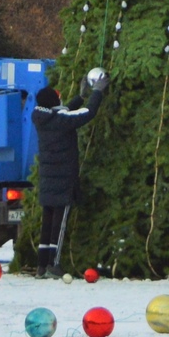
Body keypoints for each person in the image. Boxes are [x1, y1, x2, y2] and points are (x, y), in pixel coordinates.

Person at [30, 66, 108, 276]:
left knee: (47, 224)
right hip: (63, 181)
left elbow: (66, 111)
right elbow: (86, 115)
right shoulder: (60, 122)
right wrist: (97, 91)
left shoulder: (45, 119)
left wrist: (80, 96)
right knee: (59, 225)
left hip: (49, 182)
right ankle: (54, 266)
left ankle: (41, 266)